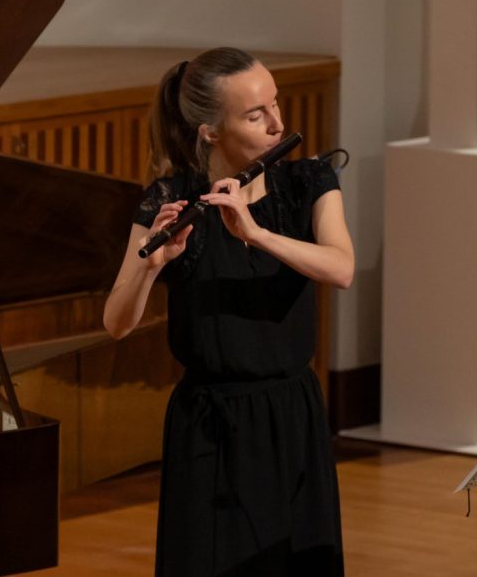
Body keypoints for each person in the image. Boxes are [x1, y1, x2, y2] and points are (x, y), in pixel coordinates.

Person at [103, 46, 354, 576]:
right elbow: (116, 324)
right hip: (210, 425)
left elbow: (341, 268)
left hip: (292, 414)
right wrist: (152, 265)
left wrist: (256, 233)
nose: (277, 124)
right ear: (210, 131)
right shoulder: (170, 198)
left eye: (275, 104)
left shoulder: (307, 181)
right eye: (255, 115)